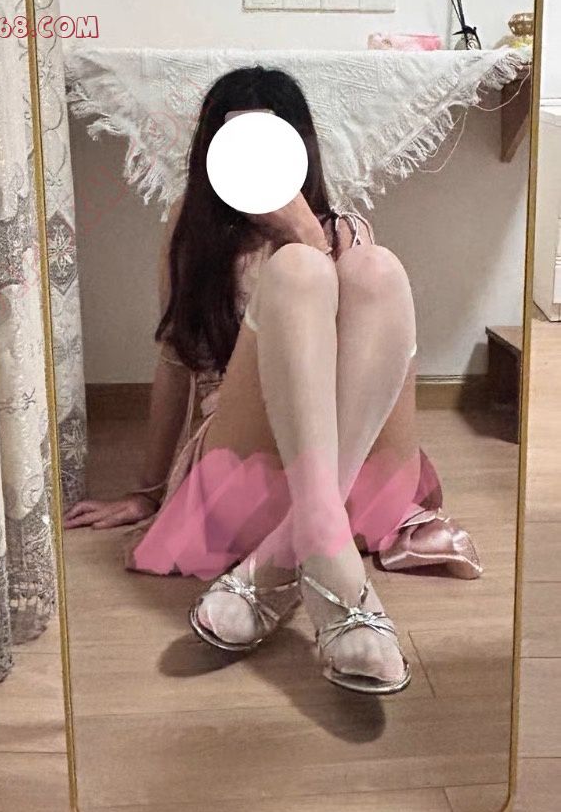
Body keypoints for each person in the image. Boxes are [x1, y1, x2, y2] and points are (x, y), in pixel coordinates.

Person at [64, 66, 482, 695]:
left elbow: (365, 377)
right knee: (298, 273)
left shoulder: (345, 229)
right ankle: (332, 565)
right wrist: (147, 491)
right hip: (247, 460)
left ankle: (293, 553)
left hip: (358, 468)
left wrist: (306, 234)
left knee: (376, 269)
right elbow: (175, 363)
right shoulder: (191, 229)